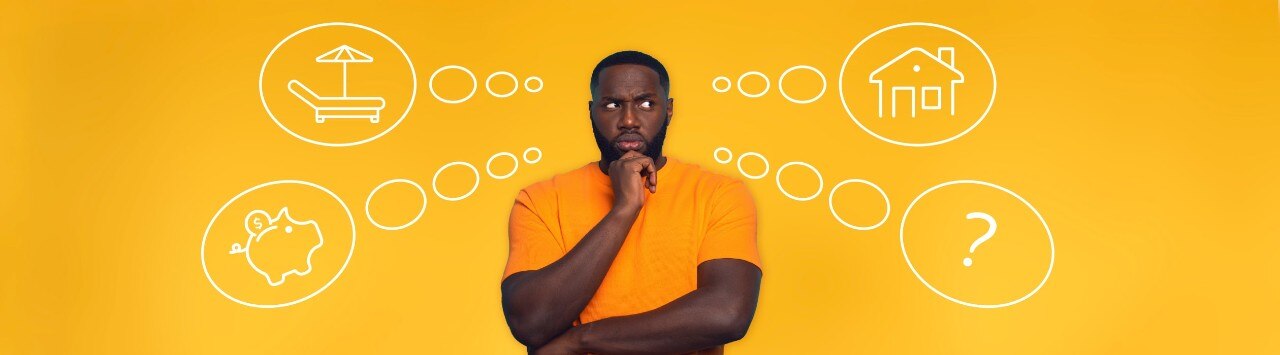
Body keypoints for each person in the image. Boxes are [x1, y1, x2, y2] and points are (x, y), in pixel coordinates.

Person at [501, 50, 762, 354]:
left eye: (646, 104)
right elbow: (531, 322)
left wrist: (579, 341)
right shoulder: (541, 199)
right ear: (592, 112)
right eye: (612, 105)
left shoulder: (718, 193)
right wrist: (624, 209)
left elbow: (727, 313)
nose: (628, 120)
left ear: (669, 110)